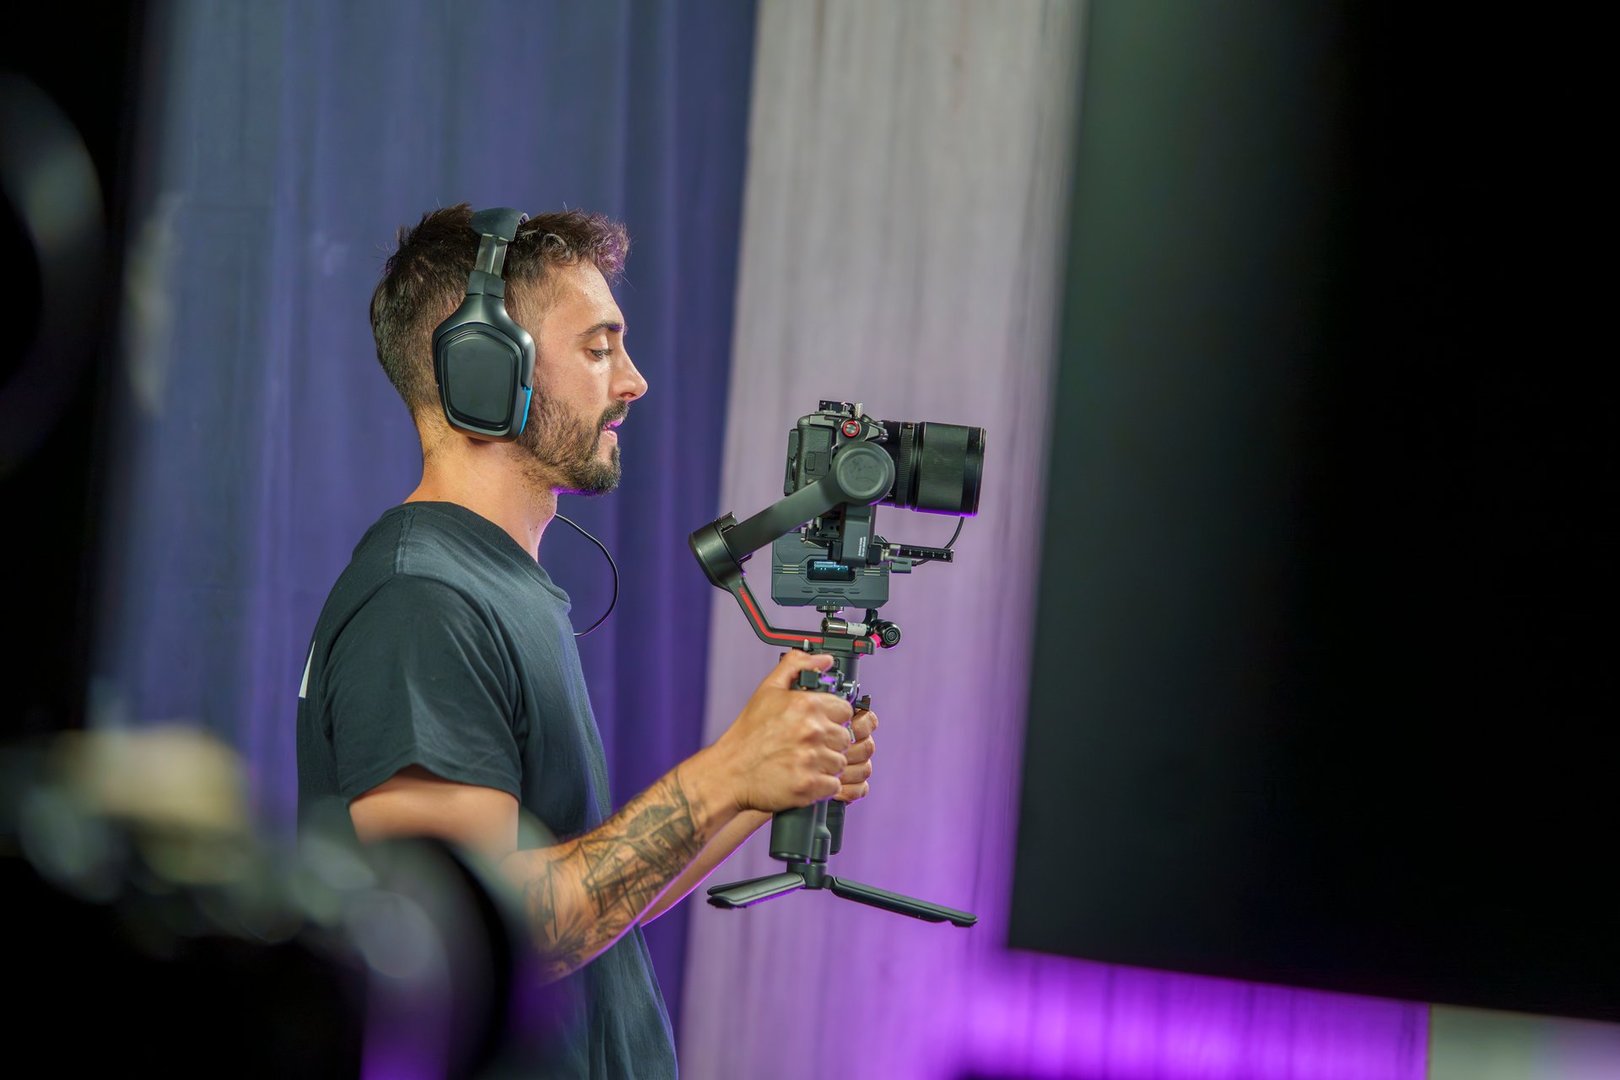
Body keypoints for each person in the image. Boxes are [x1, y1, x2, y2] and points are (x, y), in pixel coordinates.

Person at [295, 204, 878, 1077]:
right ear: (485, 372)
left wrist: (762, 781)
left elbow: (591, 900)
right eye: (599, 348)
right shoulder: (420, 603)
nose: (635, 380)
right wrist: (723, 774)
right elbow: (477, 936)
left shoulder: (493, 584)